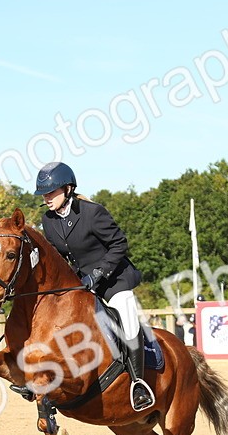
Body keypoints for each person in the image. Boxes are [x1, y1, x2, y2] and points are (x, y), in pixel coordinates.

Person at [35, 160, 154, 411]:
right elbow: (57, 257)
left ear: (67, 189)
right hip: (81, 283)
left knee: (127, 314)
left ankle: (139, 383)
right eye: (44, 194)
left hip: (113, 279)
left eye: (51, 192)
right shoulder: (48, 220)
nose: (46, 198)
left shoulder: (92, 212)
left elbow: (119, 245)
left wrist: (99, 273)